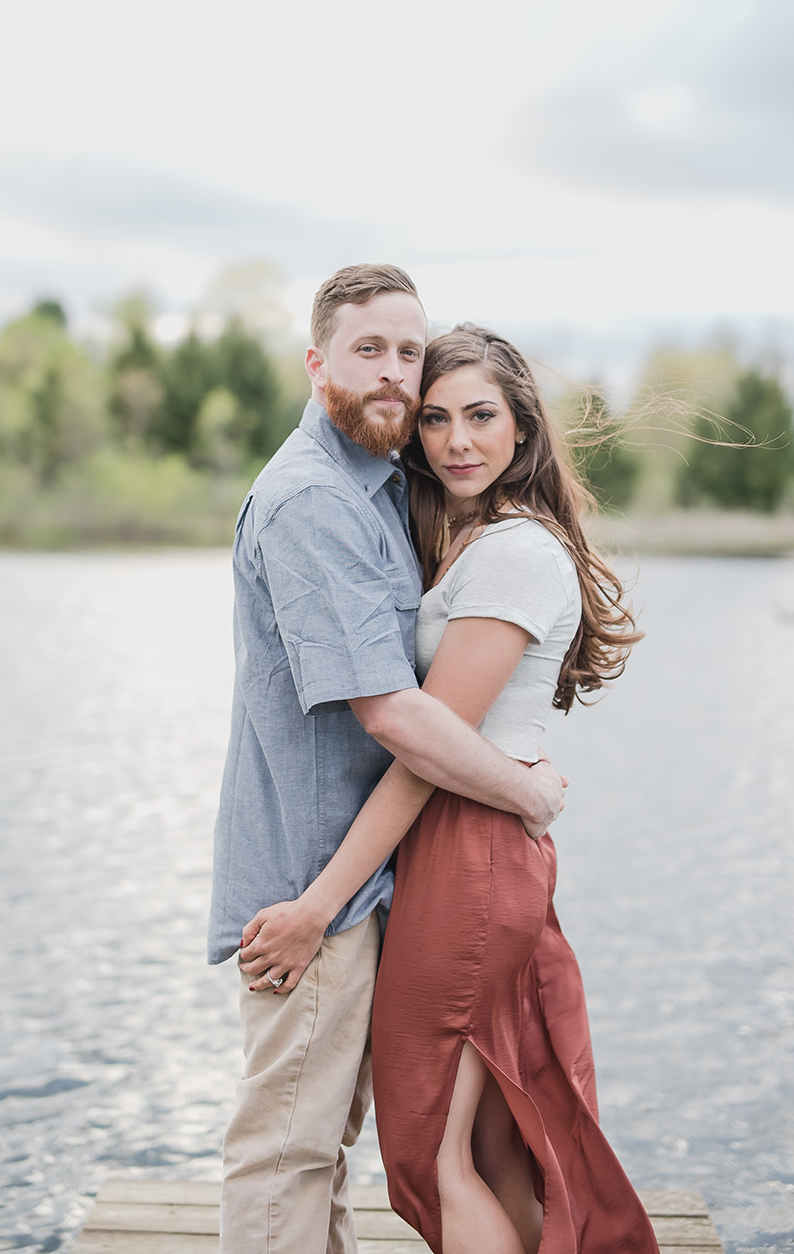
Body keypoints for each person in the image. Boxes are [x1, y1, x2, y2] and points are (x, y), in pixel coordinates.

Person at [239, 326, 658, 1253]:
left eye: (480, 416)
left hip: (468, 854)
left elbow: (425, 747)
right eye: (434, 418)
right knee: (487, 1141)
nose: (455, 440)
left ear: (522, 429)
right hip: (467, 847)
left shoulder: (511, 554)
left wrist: (318, 900)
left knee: (429, 1154)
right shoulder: (474, 538)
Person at [208, 269, 566, 1254]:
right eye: (371, 350)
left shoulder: (384, 487)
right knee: (287, 1149)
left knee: (322, 1146)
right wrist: (528, 789)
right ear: (317, 361)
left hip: (369, 878)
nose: (396, 377)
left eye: (410, 353)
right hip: (315, 885)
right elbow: (397, 718)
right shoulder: (313, 501)